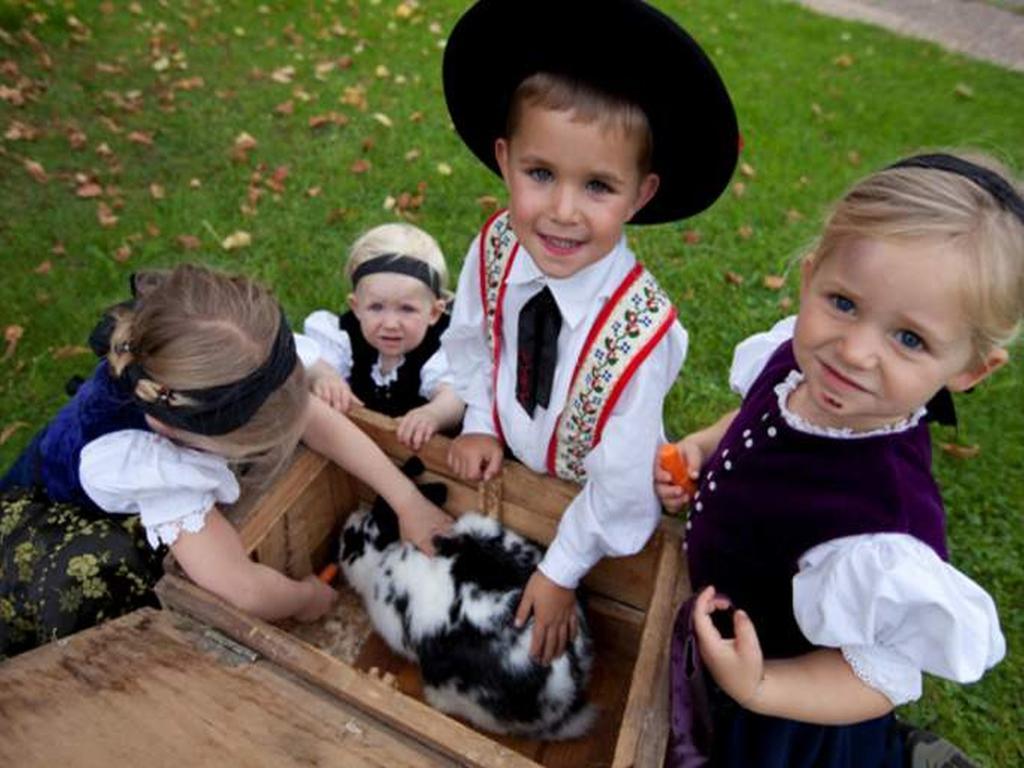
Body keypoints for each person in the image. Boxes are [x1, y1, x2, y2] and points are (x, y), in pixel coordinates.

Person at [656, 153, 1019, 767]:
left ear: (968, 369)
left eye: (909, 339)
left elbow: (876, 676)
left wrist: (762, 686)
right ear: (810, 275)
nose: (853, 351)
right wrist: (705, 445)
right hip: (723, 632)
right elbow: (757, 418)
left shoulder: (880, 526)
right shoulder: (801, 367)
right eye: (844, 303)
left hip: (782, 710)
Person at [440, 0, 739, 664]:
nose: (563, 212)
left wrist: (560, 570)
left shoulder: (641, 335)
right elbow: (477, 341)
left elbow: (625, 483)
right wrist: (482, 420)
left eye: (599, 186)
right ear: (504, 157)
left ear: (640, 195)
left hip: (592, 507)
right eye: (540, 174)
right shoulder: (495, 248)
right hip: (512, 467)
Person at [0, 263, 452, 659]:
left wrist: (406, 500)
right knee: (120, 576)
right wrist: (303, 597)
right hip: (62, 518)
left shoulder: (231, 350)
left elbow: (311, 419)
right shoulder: (148, 463)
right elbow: (241, 587)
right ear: (193, 433)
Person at [302, 222, 465, 451]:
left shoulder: (441, 347)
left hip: (425, 453)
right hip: (358, 444)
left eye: (407, 309)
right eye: (376, 307)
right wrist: (324, 376)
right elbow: (311, 360)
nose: (390, 324)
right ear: (356, 306)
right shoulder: (344, 334)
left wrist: (433, 414)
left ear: (434, 312)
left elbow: (455, 397)